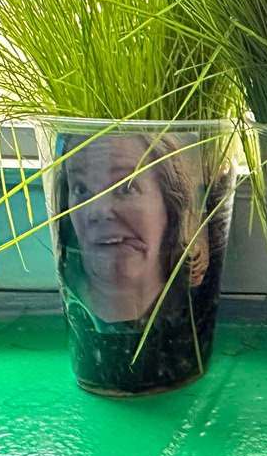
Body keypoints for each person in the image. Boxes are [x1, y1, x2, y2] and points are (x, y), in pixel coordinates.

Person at [58, 132, 206, 324]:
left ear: (170, 204)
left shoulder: (191, 309)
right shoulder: (72, 303)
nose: (99, 210)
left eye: (126, 188)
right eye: (81, 189)